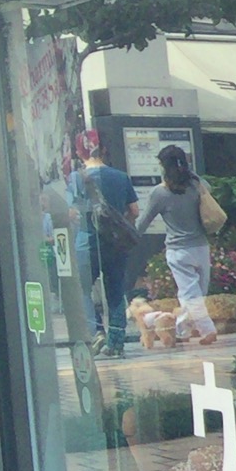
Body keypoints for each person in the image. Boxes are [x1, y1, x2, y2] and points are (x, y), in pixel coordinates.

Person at [135, 144, 221, 341]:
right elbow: (209, 188)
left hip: (178, 250)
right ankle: (183, 330)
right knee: (195, 293)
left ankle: (207, 330)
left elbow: (144, 222)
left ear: (163, 166)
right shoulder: (197, 185)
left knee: (190, 295)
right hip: (200, 246)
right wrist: (189, 173)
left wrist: (129, 237)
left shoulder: (160, 193)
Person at [68, 135, 140, 354]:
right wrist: (117, 226)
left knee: (81, 290)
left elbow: (72, 214)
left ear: (79, 152)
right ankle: (116, 341)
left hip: (86, 243)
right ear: (104, 149)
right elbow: (134, 211)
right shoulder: (121, 177)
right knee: (116, 289)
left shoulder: (75, 178)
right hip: (115, 245)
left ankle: (96, 331)